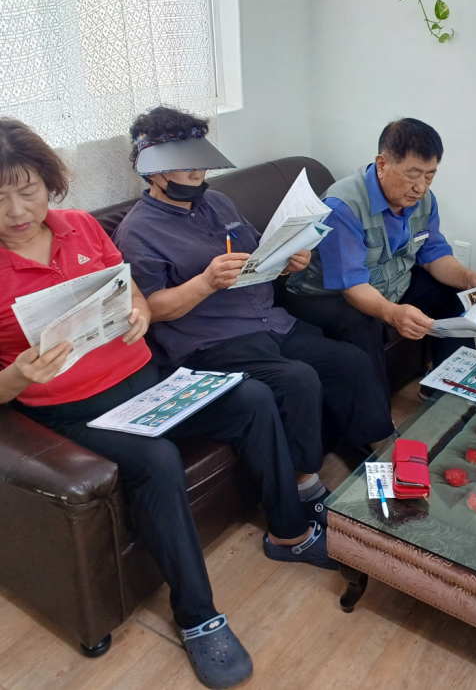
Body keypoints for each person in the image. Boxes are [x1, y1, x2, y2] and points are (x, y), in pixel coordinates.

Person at [0, 118, 335, 689]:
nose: (15, 211)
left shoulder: (81, 227)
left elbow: (129, 290)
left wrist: (135, 312)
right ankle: (198, 618)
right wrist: (14, 375)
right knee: (156, 459)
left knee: (253, 397)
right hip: (74, 410)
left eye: (27, 191)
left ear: (48, 182)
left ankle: (289, 533)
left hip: (145, 380)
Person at [114, 107, 394, 516]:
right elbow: (151, 310)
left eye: (200, 162)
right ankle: (304, 487)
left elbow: (261, 252)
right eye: (184, 164)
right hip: (213, 342)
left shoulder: (218, 202)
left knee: (349, 361)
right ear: (152, 169)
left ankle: (387, 456)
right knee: (297, 380)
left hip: (271, 323)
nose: (197, 173)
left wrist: (289, 259)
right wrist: (205, 282)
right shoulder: (137, 231)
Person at [287, 118, 476, 398]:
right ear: (382, 164)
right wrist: (394, 313)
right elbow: (353, 286)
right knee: (364, 326)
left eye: (429, 175)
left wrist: (467, 277)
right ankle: (377, 419)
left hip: (390, 280)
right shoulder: (343, 206)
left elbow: (434, 255)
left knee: (456, 294)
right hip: (328, 294)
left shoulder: (423, 200)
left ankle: (450, 389)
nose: (421, 187)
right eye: (413, 174)